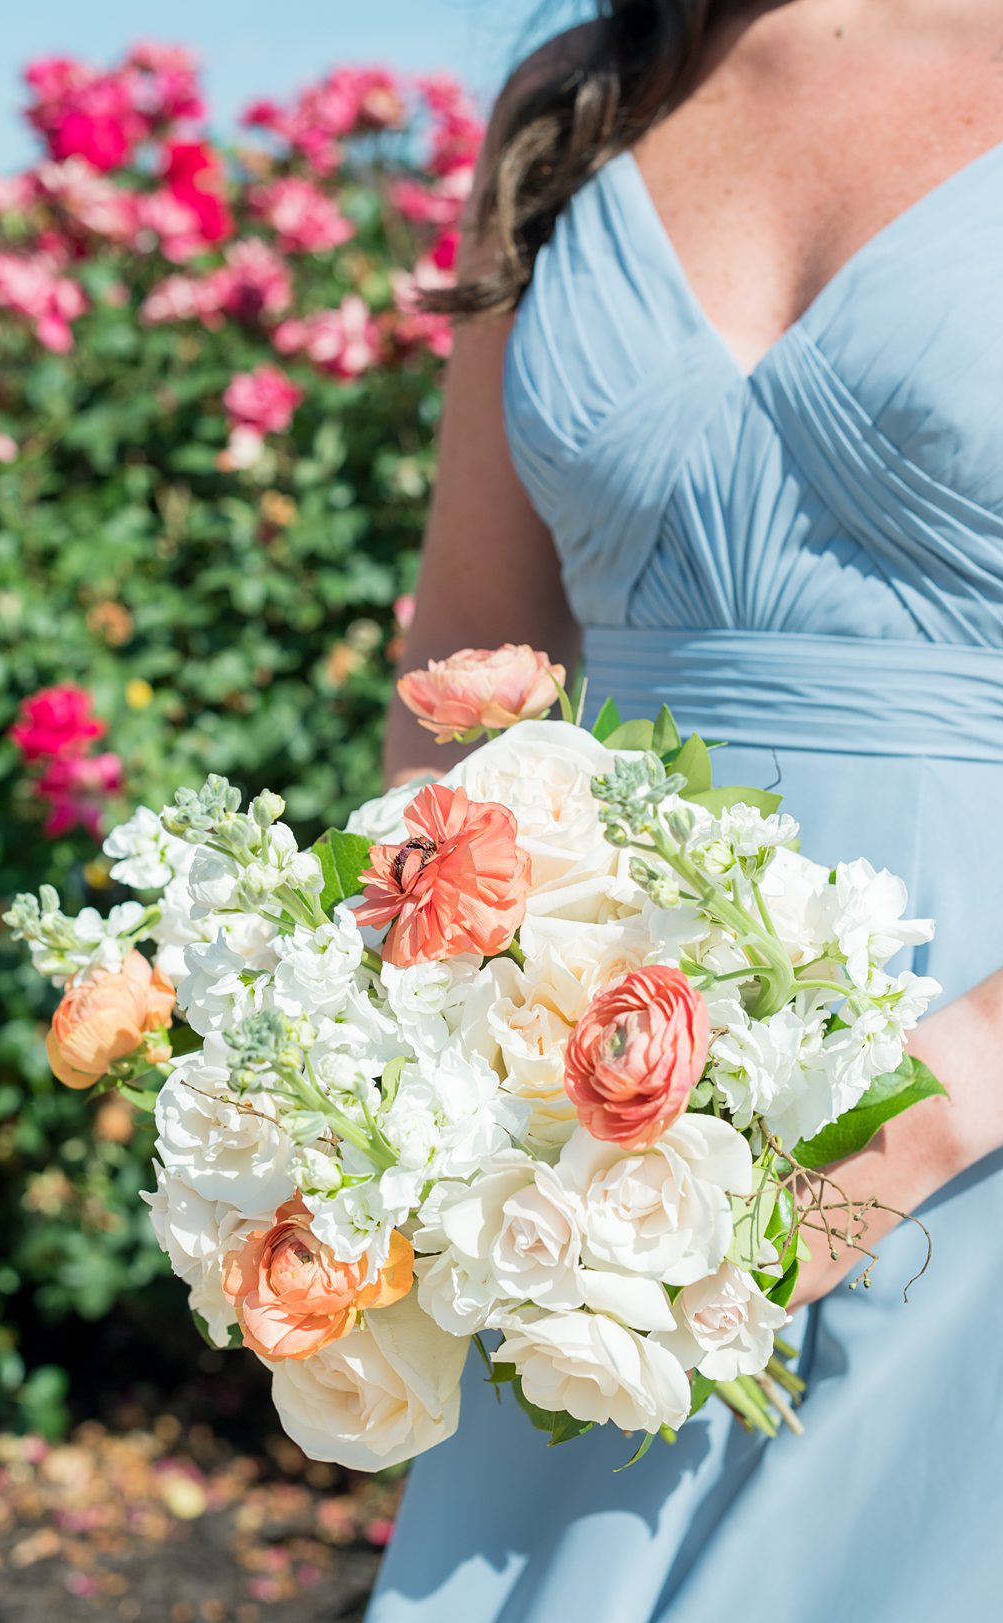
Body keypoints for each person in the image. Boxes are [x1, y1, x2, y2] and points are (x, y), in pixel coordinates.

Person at [368, 3, 1003, 1618]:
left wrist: (933, 1104)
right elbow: (465, 672)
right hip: (596, 1146)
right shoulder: (582, 101)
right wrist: (389, 1085)